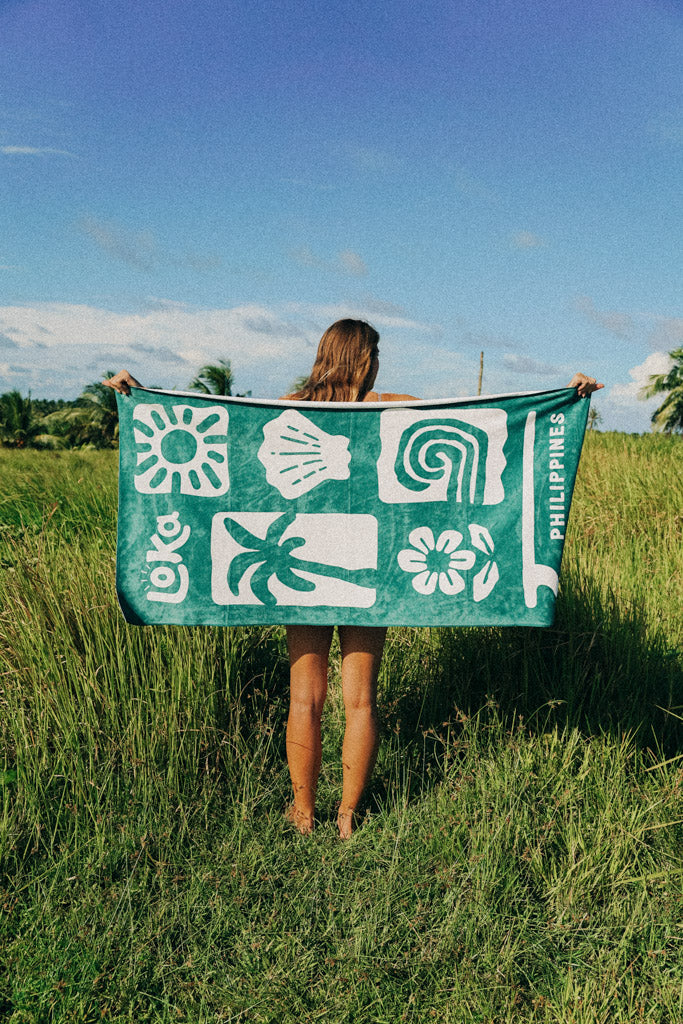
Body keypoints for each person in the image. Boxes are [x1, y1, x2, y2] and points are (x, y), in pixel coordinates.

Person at [104, 321, 603, 838]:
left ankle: (302, 813)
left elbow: (229, 437)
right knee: (360, 698)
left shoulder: (288, 405)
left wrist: (137, 395)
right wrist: (567, 398)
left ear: (325, 354)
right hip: (373, 571)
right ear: (368, 358)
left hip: (293, 565)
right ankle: (347, 815)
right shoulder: (393, 404)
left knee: (305, 698)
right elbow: (481, 422)